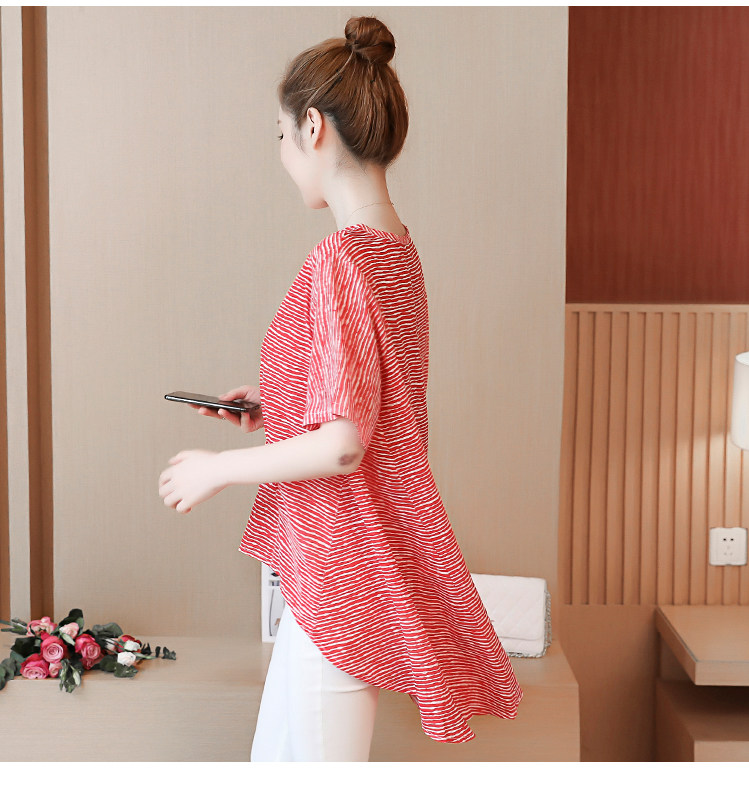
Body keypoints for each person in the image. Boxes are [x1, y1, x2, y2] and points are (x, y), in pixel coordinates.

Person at [158, 15, 523, 762]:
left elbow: (344, 446)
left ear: (313, 127)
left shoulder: (341, 261)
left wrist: (217, 468)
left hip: (339, 569)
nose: (282, 154)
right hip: (347, 566)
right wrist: (276, 403)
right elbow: (372, 404)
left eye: (281, 135)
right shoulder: (396, 253)